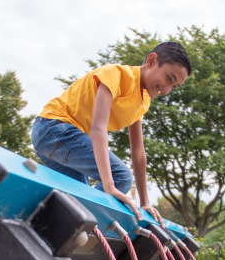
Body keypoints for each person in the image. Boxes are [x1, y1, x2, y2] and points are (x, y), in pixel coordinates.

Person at [31, 41, 191, 225]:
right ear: (152, 61)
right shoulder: (116, 75)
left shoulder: (142, 101)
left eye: (174, 86)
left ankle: (47, 225)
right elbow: (98, 128)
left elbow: (138, 153)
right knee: (120, 176)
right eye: (169, 79)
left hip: (60, 140)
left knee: (81, 199)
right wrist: (109, 185)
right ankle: (70, 226)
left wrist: (145, 202)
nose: (167, 90)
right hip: (53, 128)